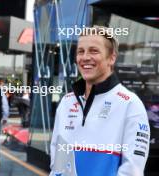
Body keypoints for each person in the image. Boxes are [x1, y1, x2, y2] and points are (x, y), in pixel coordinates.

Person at [50, 26, 150, 176]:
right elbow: (57, 163)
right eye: (80, 51)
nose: (85, 57)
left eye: (93, 51)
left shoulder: (130, 104)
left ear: (112, 58)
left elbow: (132, 171)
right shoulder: (66, 102)